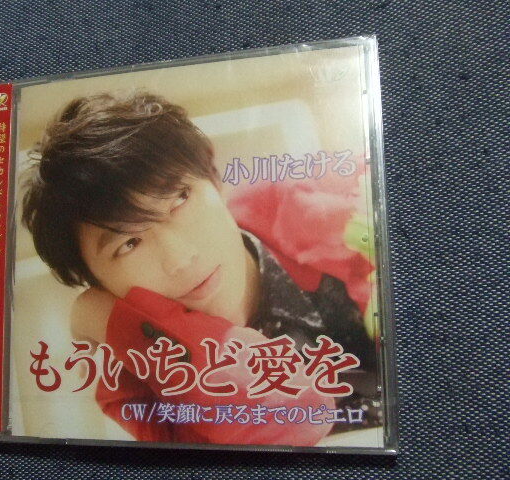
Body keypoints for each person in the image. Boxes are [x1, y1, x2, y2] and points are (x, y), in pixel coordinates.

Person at [21, 91, 381, 446]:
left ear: (213, 176)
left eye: (179, 200)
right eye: (129, 244)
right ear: (98, 284)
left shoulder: (322, 209)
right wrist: (105, 319)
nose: (180, 259)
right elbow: (295, 414)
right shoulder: (133, 378)